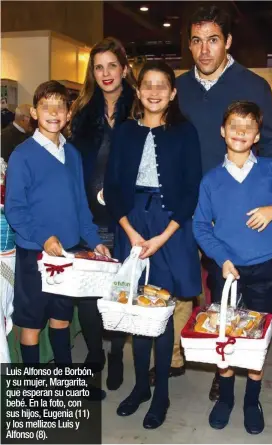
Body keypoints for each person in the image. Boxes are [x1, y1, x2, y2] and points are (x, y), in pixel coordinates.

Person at [173, 4, 272, 400]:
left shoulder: (254, 84)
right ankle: (197, 353)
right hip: (190, 202)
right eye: (196, 41)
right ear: (189, 46)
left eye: (212, 40)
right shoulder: (181, 88)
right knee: (192, 285)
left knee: (229, 285)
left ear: (227, 42)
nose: (204, 50)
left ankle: (231, 361)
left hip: (235, 206)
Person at [104, 61, 202, 429]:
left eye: (163, 85)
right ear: (139, 90)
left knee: (159, 313)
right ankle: (139, 387)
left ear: (173, 93)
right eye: (148, 84)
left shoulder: (184, 132)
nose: (155, 91)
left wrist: (162, 237)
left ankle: (160, 392)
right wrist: (130, 231)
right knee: (135, 311)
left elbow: (192, 189)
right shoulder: (125, 132)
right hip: (132, 223)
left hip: (170, 227)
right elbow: (113, 186)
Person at [193, 101, 272, 434]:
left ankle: (252, 400)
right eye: (234, 126)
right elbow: (200, 226)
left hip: (265, 270)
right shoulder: (211, 180)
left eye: (248, 127)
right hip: (227, 272)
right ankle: (225, 398)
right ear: (223, 132)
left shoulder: (271, 170)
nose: (241, 132)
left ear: (256, 135)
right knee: (224, 338)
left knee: (257, 341)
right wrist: (221, 259)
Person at [5, 81, 109, 369]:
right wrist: (43, 238)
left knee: (61, 317)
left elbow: (80, 206)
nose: (53, 112)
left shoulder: (72, 154)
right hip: (35, 254)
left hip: (69, 252)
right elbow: (15, 209)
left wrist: (94, 240)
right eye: (45, 106)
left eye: (60, 106)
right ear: (34, 113)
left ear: (68, 113)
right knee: (32, 322)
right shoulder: (23, 155)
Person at [69, 38, 136, 393]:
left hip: (125, 219)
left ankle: (113, 352)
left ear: (124, 68)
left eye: (112, 65)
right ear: (92, 73)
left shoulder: (139, 109)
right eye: (99, 67)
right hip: (87, 218)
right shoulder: (82, 112)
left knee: (117, 292)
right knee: (87, 293)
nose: (106, 73)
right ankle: (94, 351)